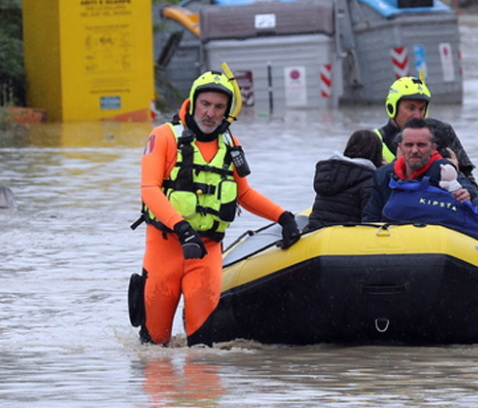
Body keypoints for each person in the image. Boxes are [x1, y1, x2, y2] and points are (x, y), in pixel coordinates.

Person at [130, 70, 301, 345]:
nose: (210, 113)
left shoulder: (231, 145)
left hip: (207, 250)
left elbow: (243, 193)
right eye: (205, 104)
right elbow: (149, 190)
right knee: (155, 345)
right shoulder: (162, 137)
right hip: (166, 246)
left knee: (202, 347)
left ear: (227, 112)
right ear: (194, 102)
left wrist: (283, 217)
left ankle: (202, 387)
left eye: (219, 107)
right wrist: (182, 228)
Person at [363, 118, 478, 238]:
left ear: (433, 148)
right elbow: (371, 217)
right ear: (400, 147)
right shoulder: (383, 175)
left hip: (438, 242)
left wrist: (468, 195)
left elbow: (470, 190)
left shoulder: (444, 170)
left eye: (421, 145)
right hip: (395, 242)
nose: (414, 150)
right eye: (409, 145)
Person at [374, 76, 476, 186]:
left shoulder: (441, 132)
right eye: (411, 108)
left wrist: (455, 174)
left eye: (421, 109)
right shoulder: (374, 141)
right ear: (392, 107)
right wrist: (394, 167)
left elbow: (471, 184)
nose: (418, 116)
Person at [307, 129, 385, 231]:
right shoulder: (369, 181)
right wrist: (383, 172)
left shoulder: (330, 174)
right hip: (344, 238)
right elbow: (371, 220)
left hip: (314, 232)